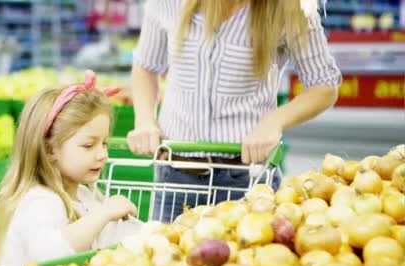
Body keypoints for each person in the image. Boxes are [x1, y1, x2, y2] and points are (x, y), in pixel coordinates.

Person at [127, 0, 341, 222]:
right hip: (175, 175)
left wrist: (274, 121)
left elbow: (324, 85)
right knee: (164, 253)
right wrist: (144, 120)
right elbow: (145, 67)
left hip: (248, 179)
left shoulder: (290, 8)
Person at [0, 70, 141, 266]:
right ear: (50, 149)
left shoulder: (83, 194)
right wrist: (104, 214)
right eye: (89, 145)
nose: (103, 154)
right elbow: (49, 257)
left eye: (104, 143)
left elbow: (107, 237)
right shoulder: (40, 201)